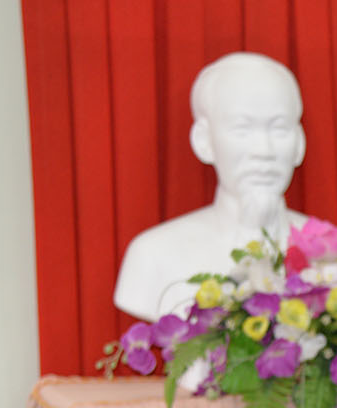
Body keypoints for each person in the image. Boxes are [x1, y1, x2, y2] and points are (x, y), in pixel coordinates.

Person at [113, 51, 308, 321]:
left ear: (299, 144)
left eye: (279, 129)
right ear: (203, 141)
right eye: (242, 129)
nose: (263, 151)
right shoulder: (152, 255)